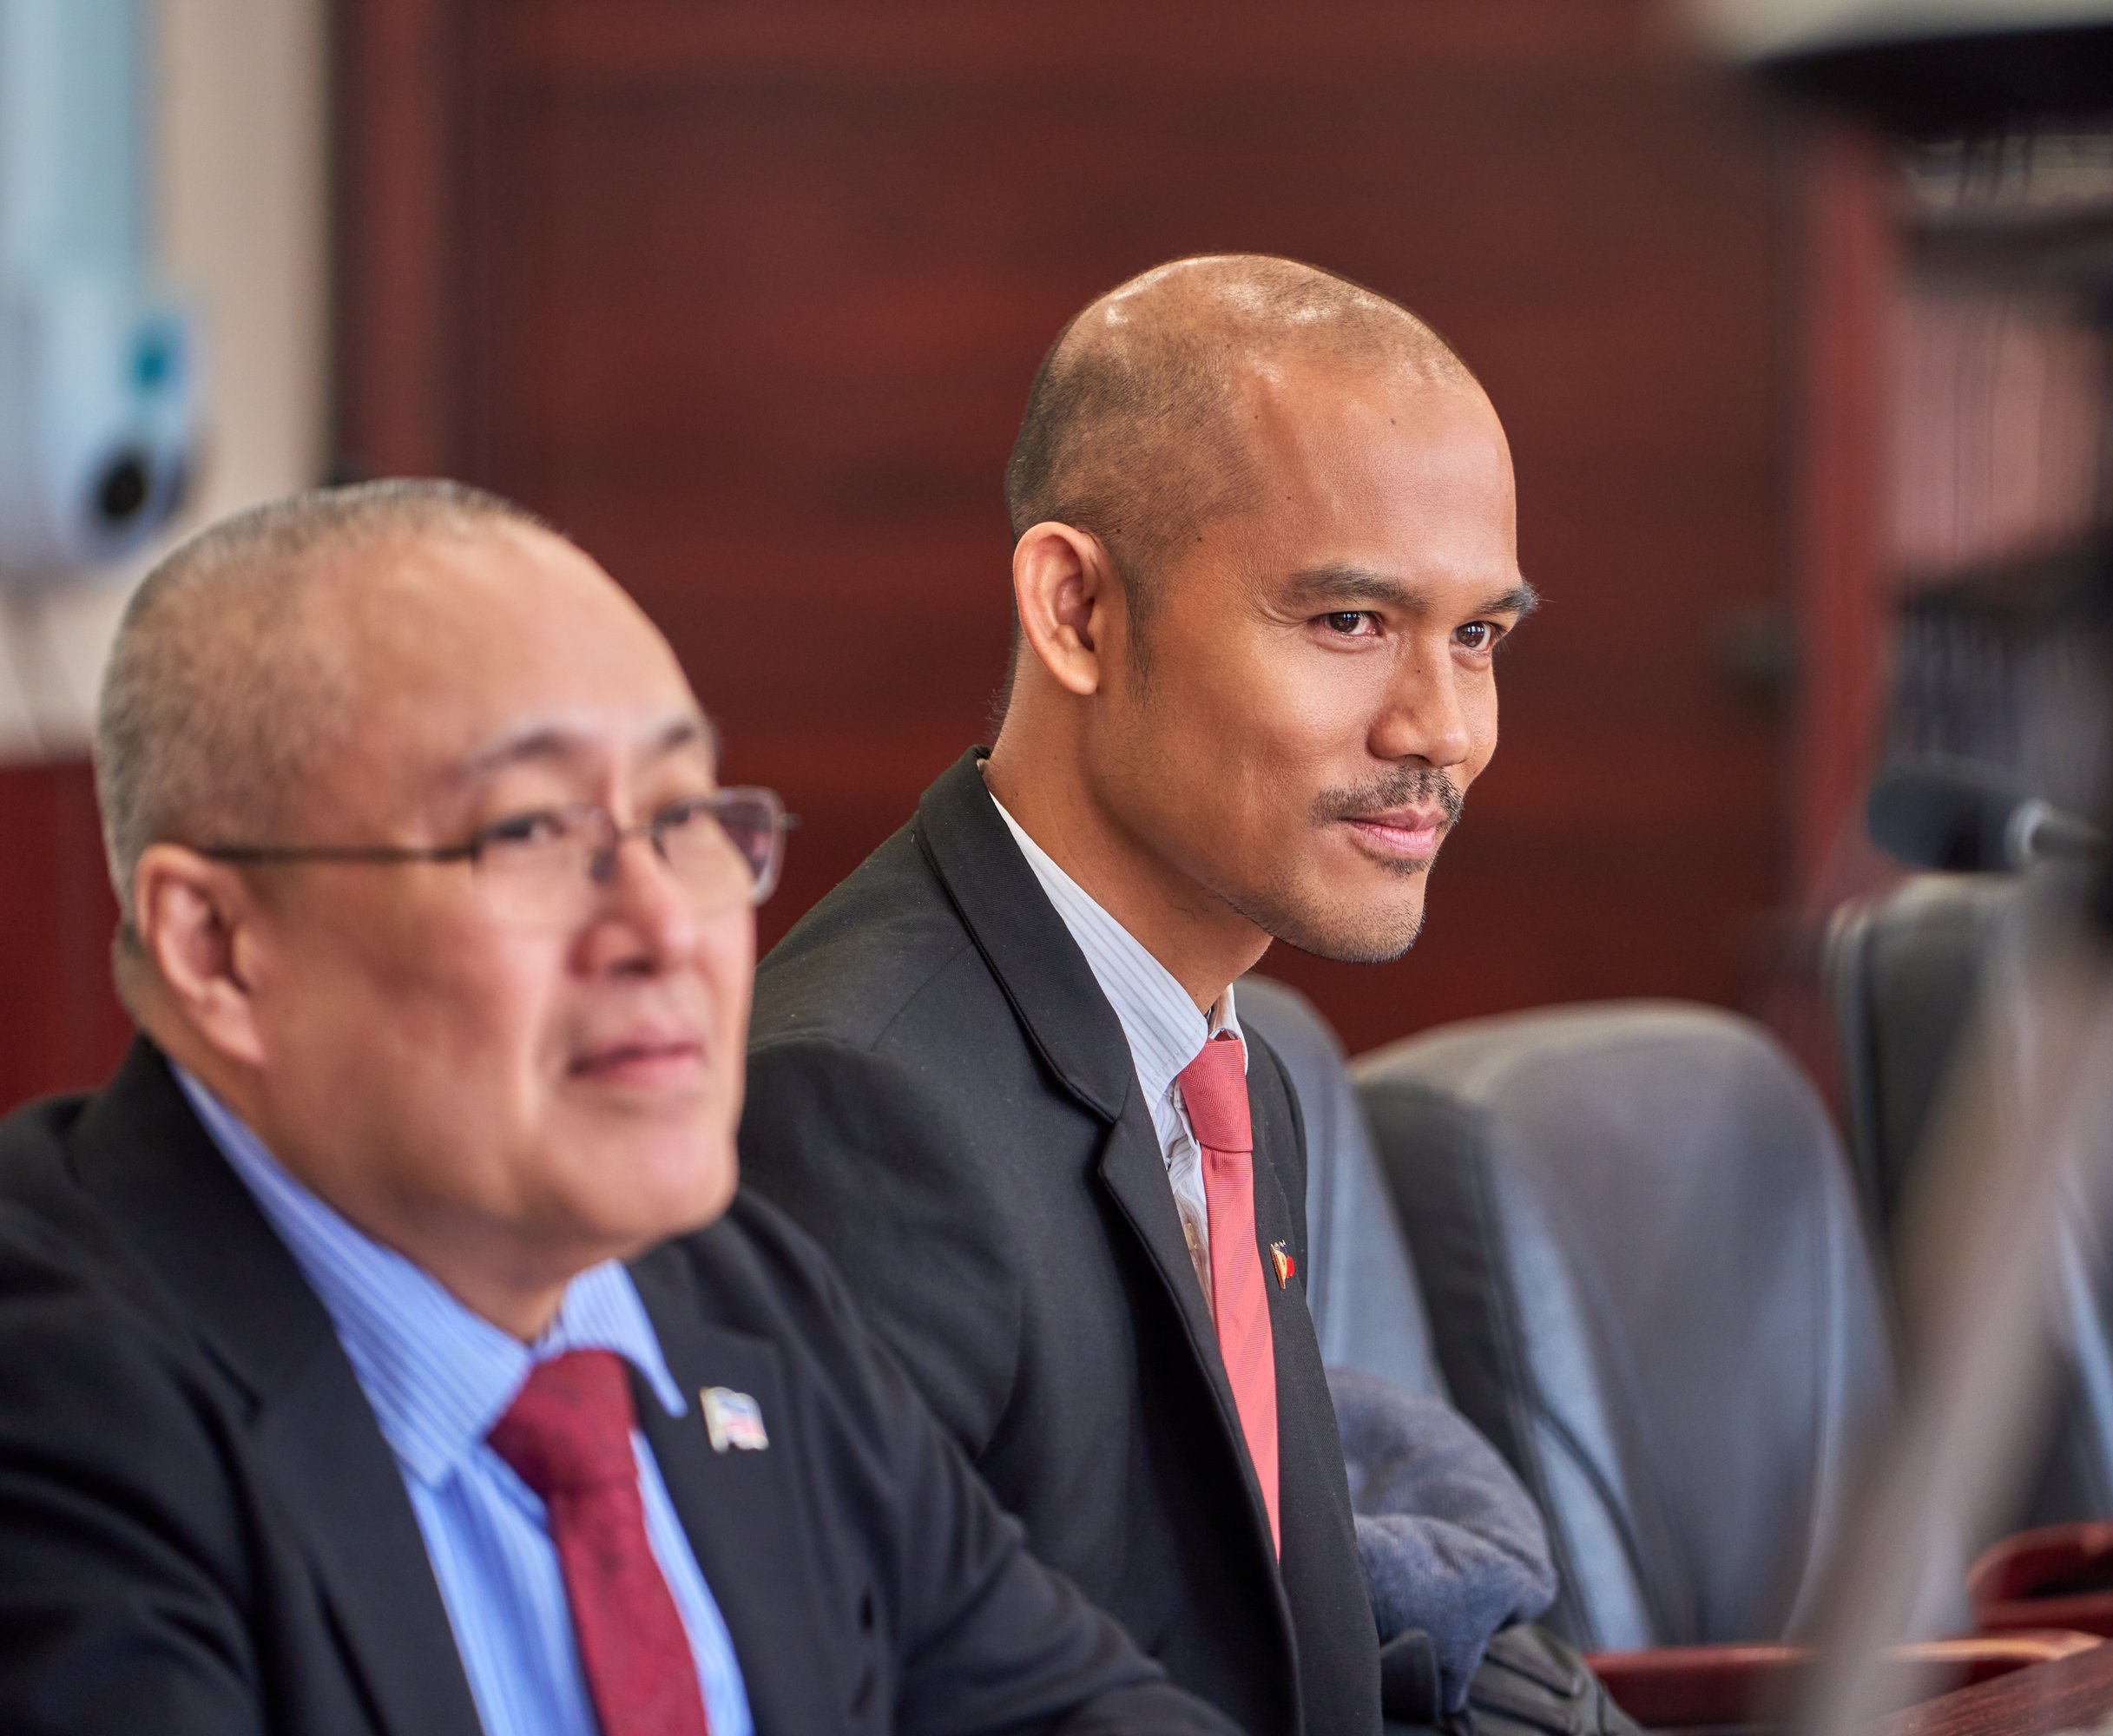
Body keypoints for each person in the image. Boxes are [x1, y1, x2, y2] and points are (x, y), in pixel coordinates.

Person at [0, 481, 1234, 1736]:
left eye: (684, 816)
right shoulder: (54, 1414)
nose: (664, 927)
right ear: (219, 949)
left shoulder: (733, 1290)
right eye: (531, 832)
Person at [739, 254, 1536, 1736]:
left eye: (1477, 636)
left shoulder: (1227, 1061)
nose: (1444, 729)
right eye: (1349, 622)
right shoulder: (858, 1100)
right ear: (1079, 610)